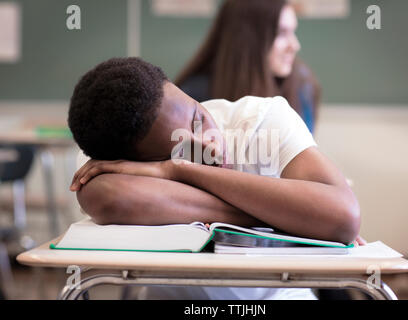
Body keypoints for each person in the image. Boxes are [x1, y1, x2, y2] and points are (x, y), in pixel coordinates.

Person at [68, 57, 360, 300]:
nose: (209, 145)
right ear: (131, 162)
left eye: (199, 118)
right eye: (182, 150)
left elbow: (343, 216)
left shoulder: (260, 120)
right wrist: (292, 217)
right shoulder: (113, 150)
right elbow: (109, 198)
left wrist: (178, 170)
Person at [175, 0, 320, 134]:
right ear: (247, 39)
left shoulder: (302, 86)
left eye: (292, 31)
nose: (294, 45)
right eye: (280, 33)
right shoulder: (193, 97)